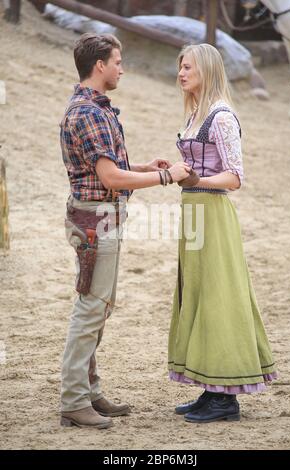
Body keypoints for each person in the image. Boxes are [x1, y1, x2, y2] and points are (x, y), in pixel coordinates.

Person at [60, 33, 190, 430]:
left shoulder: (90, 109)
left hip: (96, 215)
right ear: (99, 65)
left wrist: (147, 167)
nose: (121, 68)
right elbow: (110, 178)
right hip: (98, 217)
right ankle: (74, 400)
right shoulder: (90, 114)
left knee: (97, 307)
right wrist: (167, 176)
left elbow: (107, 169)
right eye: (117, 61)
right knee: (91, 309)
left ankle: (88, 390)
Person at [168, 44, 277, 423]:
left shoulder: (222, 117)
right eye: (180, 67)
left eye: (188, 67)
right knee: (198, 295)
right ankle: (210, 387)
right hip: (193, 211)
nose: (181, 73)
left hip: (212, 212)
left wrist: (197, 177)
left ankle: (226, 399)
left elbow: (235, 177)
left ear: (207, 70)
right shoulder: (197, 112)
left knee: (218, 297)